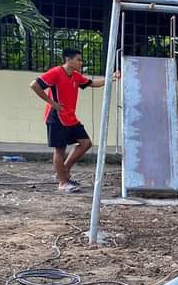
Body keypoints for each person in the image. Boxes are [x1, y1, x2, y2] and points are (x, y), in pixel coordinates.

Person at [29, 48, 115, 194]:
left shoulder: (76, 76)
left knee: (86, 143)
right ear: (68, 60)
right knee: (60, 150)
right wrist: (52, 103)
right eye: (78, 60)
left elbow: (92, 83)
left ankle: (64, 170)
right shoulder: (56, 72)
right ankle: (63, 183)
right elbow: (34, 85)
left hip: (70, 117)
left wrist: (112, 78)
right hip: (56, 117)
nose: (81, 63)